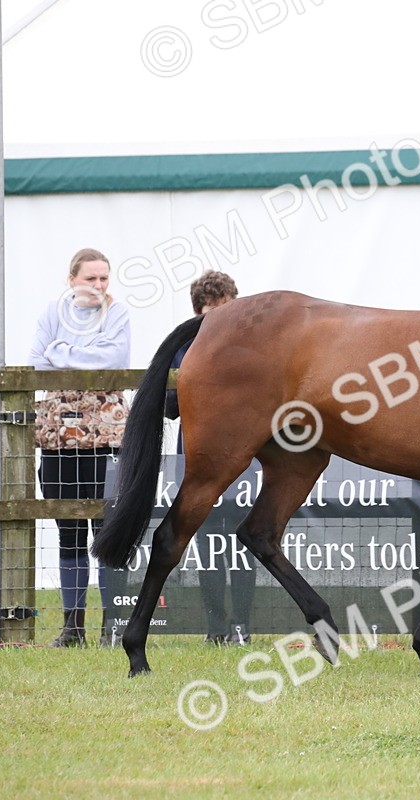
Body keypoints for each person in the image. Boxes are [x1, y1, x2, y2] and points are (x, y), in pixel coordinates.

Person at [29, 247, 131, 647]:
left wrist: (62, 352)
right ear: (72, 279)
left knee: (107, 532)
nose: (99, 286)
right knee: (68, 533)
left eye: (104, 278)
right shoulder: (51, 313)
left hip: (108, 439)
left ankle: (111, 626)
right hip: (58, 441)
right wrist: (83, 357)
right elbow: (36, 362)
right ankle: (73, 627)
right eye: (91, 278)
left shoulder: (117, 313)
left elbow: (116, 359)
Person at [165, 270, 256, 646]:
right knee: (207, 545)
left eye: (228, 310)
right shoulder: (185, 347)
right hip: (198, 458)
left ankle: (242, 625)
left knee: (246, 543)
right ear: (197, 312)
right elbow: (169, 405)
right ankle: (215, 627)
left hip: (245, 456)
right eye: (212, 312)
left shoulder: (255, 347)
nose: (221, 319)